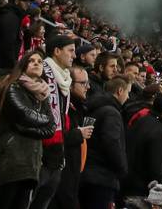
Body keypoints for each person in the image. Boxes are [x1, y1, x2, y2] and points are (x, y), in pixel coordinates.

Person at [0, 51, 57, 209]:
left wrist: (26, 128)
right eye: (31, 60)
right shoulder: (13, 88)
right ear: (23, 65)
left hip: (32, 163)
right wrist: (44, 120)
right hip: (11, 159)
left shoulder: (43, 93)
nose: (37, 63)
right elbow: (26, 115)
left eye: (39, 61)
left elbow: (52, 128)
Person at [31, 35, 78, 209]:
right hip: (39, 154)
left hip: (56, 155)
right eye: (70, 51)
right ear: (57, 51)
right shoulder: (41, 72)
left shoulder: (65, 78)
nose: (74, 55)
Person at [80, 77, 130, 209]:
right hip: (102, 177)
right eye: (127, 92)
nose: (128, 97)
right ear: (120, 91)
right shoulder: (111, 113)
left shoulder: (93, 107)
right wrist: (122, 168)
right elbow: (111, 143)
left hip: (86, 172)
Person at [51, 66, 94, 209]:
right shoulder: (63, 107)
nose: (87, 87)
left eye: (87, 83)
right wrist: (78, 134)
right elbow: (55, 135)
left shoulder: (80, 107)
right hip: (62, 174)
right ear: (70, 84)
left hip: (74, 174)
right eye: (83, 83)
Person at [123, 94, 162, 198]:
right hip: (141, 188)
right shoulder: (160, 131)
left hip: (126, 178)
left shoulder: (141, 120)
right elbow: (157, 167)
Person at [0, 0, 32, 74]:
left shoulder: (15, 16)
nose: (28, 4)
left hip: (0, 63)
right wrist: (12, 63)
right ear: (16, 1)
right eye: (25, 2)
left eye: (29, 2)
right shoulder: (11, 17)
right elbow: (8, 42)